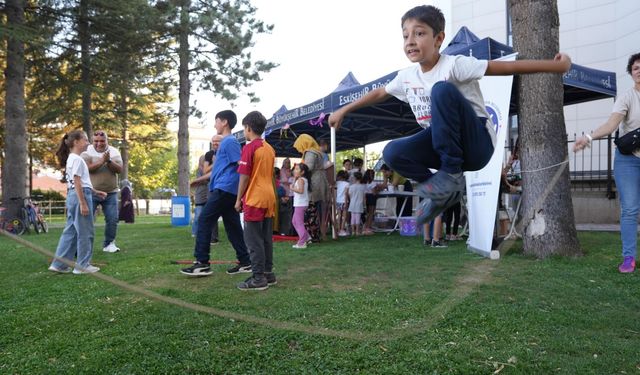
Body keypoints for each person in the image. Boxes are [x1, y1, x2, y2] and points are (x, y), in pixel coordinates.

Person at [329, 4, 572, 226]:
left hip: (477, 145)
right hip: (443, 144)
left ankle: (451, 175)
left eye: (419, 33)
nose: (410, 41)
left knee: (442, 90)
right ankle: (437, 192)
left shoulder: (454, 65)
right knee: (392, 152)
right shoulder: (406, 77)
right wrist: (344, 109)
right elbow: (380, 93)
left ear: (439, 39)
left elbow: (506, 67)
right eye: (405, 35)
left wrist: (556, 67)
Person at [574, 52, 640, 273]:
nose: (639, 70)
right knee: (630, 209)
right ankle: (629, 257)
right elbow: (611, 125)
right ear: (631, 74)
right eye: (635, 68)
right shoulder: (627, 97)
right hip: (628, 161)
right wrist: (589, 137)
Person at [181, 110, 251, 277]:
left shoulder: (230, 142)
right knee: (233, 226)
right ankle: (245, 261)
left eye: (216, 121)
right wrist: (198, 181)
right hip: (224, 188)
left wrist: (240, 194)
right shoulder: (224, 144)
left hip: (225, 189)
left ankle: (202, 263)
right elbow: (217, 171)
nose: (215, 125)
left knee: (204, 219)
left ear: (224, 122)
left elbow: (241, 167)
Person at [49, 130, 107, 274]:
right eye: (85, 140)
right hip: (79, 196)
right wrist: (83, 202)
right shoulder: (77, 159)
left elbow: (80, 182)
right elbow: (76, 181)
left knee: (71, 232)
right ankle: (83, 266)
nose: (88, 142)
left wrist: (94, 192)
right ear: (76, 142)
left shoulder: (73, 158)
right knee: (86, 232)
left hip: (75, 195)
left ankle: (59, 265)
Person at [235, 111, 277, 290]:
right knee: (266, 237)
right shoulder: (269, 148)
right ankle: (268, 273)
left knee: (253, 240)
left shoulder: (249, 148)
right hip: (269, 197)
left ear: (248, 128)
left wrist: (238, 200)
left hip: (255, 198)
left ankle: (258, 278)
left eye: (244, 128)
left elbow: (244, 177)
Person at [81, 130, 123, 253]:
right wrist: (101, 161)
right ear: (92, 141)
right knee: (87, 220)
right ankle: (84, 245)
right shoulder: (86, 151)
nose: (99, 144)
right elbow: (87, 169)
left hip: (111, 192)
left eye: (102, 141)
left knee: (112, 219)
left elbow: (119, 169)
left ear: (107, 141)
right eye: (96, 141)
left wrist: (109, 161)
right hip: (91, 192)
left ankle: (109, 244)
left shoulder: (114, 151)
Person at [293, 134, 329, 241]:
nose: (299, 149)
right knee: (318, 209)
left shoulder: (310, 153)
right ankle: (318, 234)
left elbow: (307, 168)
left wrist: (297, 170)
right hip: (320, 180)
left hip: (315, 182)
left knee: (311, 209)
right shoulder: (317, 152)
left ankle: (312, 235)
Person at [190, 135, 223, 243]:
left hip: (225, 186)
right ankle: (210, 238)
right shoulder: (209, 155)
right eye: (213, 141)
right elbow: (206, 171)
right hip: (212, 188)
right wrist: (216, 162)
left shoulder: (225, 152)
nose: (215, 143)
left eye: (217, 141)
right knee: (207, 214)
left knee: (230, 217)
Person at [291, 163, 311, 249]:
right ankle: (307, 237)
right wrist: (294, 179)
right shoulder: (300, 179)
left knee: (299, 223)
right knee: (294, 221)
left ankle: (302, 242)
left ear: (302, 172)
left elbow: (301, 191)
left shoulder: (301, 180)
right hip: (300, 204)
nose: (295, 171)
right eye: (295, 169)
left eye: (297, 169)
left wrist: (292, 189)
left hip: (300, 204)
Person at [278, 158, 294, 236]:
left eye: (289, 162)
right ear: (283, 163)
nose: (288, 164)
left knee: (289, 213)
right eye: (286, 162)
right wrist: (290, 180)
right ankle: (283, 230)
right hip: (283, 193)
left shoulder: (291, 171)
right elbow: (284, 180)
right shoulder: (282, 171)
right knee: (283, 213)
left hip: (290, 194)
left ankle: (289, 230)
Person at [347, 171, 366, 236]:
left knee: (353, 217)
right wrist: (364, 205)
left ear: (354, 178)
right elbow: (364, 197)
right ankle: (357, 231)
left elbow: (350, 196)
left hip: (352, 203)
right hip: (359, 204)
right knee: (358, 217)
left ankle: (353, 231)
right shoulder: (363, 187)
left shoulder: (351, 187)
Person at [362, 169, 377, 235]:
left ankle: (365, 226)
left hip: (365, 197)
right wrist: (377, 191)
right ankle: (368, 227)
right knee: (371, 213)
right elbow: (374, 193)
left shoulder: (363, 183)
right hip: (371, 197)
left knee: (368, 213)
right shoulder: (373, 183)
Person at [335, 170, 350, 236]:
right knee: (344, 216)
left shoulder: (336, 183)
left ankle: (338, 229)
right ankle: (342, 229)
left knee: (339, 216)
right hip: (344, 201)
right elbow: (346, 194)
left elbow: (335, 192)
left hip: (338, 201)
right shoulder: (347, 184)